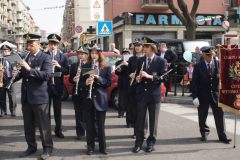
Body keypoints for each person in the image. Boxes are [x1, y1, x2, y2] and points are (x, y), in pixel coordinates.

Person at [12, 33, 53, 159]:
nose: (29, 47)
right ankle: (31, 147)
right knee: (28, 125)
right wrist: (14, 74)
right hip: (26, 97)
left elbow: (46, 75)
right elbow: (22, 75)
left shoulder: (45, 57)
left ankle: (47, 148)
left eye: (32, 45)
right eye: (28, 45)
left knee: (43, 126)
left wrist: (29, 69)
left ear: (38, 44)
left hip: (40, 98)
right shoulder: (25, 57)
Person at [192, 46, 232, 144]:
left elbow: (224, 78)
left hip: (216, 95)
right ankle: (204, 133)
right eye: (208, 55)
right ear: (204, 55)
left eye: (212, 55)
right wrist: (195, 97)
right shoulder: (198, 66)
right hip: (202, 95)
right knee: (202, 115)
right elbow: (194, 83)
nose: (211, 57)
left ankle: (222, 136)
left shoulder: (218, 64)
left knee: (219, 115)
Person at [132, 37, 166, 153]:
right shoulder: (140, 60)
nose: (144, 49)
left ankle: (151, 142)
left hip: (154, 95)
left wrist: (149, 76)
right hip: (141, 95)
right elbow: (137, 76)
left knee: (153, 121)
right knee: (140, 121)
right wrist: (137, 78)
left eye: (146, 47)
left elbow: (164, 77)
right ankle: (138, 143)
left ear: (153, 48)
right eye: (144, 46)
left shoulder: (161, 61)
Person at [80, 46, 111, 155]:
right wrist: (85, 83)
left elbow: (108, 83)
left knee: (101, 126)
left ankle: (103, 148)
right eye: (92, 53)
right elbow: (80, 84)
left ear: (99, 54)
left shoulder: (106, 67)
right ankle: (90, 147)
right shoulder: (85, 66)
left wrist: (98, 78)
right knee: (89, 125)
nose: (93, 55)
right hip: (88, 99)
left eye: (95, 53)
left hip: (100, 99)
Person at [46, 34, 69, 138]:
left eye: (55, 44)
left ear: (58, 45)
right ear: (49, 44)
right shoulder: (44, 54)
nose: (53, 45)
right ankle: (46, 131)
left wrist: (59, 66)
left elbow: (66, 71)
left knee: (57, 111)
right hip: (46, 86)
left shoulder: (62, 56)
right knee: (45, 111)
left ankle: (58, 130)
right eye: (51, 43)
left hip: (57, 86)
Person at [128, 38, 148, 138]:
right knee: (134, 111)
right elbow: (128, 71)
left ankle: (144, 132)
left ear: (142, 47)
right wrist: (130, 75)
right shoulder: (131, 59)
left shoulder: (146, 58)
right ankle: (136, 132)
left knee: (143, 111)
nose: (137, 47)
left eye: (139, 45)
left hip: (143, 87)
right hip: (133, 87)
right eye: (135, 46)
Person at [69, 46, 89, 140]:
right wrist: (73, 79)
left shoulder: (90, 65)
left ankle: (90, 131)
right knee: (78, 113)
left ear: (86, 55)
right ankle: (80, 133)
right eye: (79, 54)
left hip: (86, 92)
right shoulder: (73, 65)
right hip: (76, 93)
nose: (80, 55)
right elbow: (70, 79)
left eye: (82, 54)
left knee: (87, 112)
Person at [0, 44, 17, 117]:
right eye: (3, 51)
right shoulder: (0, 59)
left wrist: (15, 70)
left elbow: (17, 68)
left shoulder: (13, 58)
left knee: (12, 96)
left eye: (6, 50)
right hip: (1, 79)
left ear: (9, 51)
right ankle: (3, 111)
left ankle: (13, 111)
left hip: (10, 79)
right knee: (1, 96)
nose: (5, 52)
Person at [115, 48, 130, 119]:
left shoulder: (131, 61)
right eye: (124, 53)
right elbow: (116, 72)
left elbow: (132, 70)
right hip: (122, 83)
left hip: (130, 82)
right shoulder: (118, 62)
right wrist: (119, 70)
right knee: (121, 100)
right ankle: (120, 113)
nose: (125, 54)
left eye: (127, 53)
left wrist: (127, 64)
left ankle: (129, 114)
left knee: (129, 99)